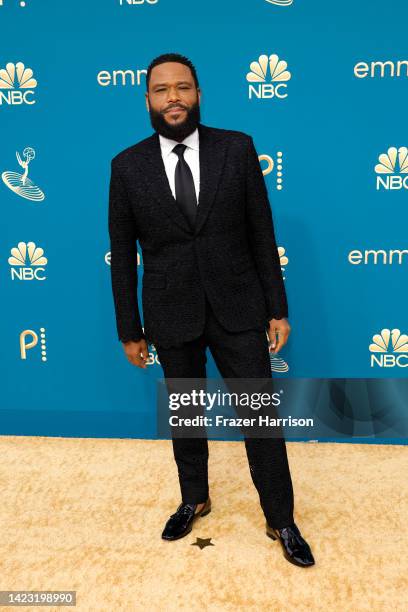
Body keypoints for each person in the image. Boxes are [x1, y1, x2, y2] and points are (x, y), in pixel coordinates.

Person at [108, 52, 315, 568]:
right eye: (161, 90)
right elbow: (121, 254)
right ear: (148, 100)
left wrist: (278, 308)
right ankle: (193, 498)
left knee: (260, 420)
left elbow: (262, 234)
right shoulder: (126, 166)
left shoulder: (237, 149)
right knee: (186, 415)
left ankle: (281, 518)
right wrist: (128, 328)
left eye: (183, 87)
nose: (173, 97)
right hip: (169, 311)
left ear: (199, 94)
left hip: (239, 308)